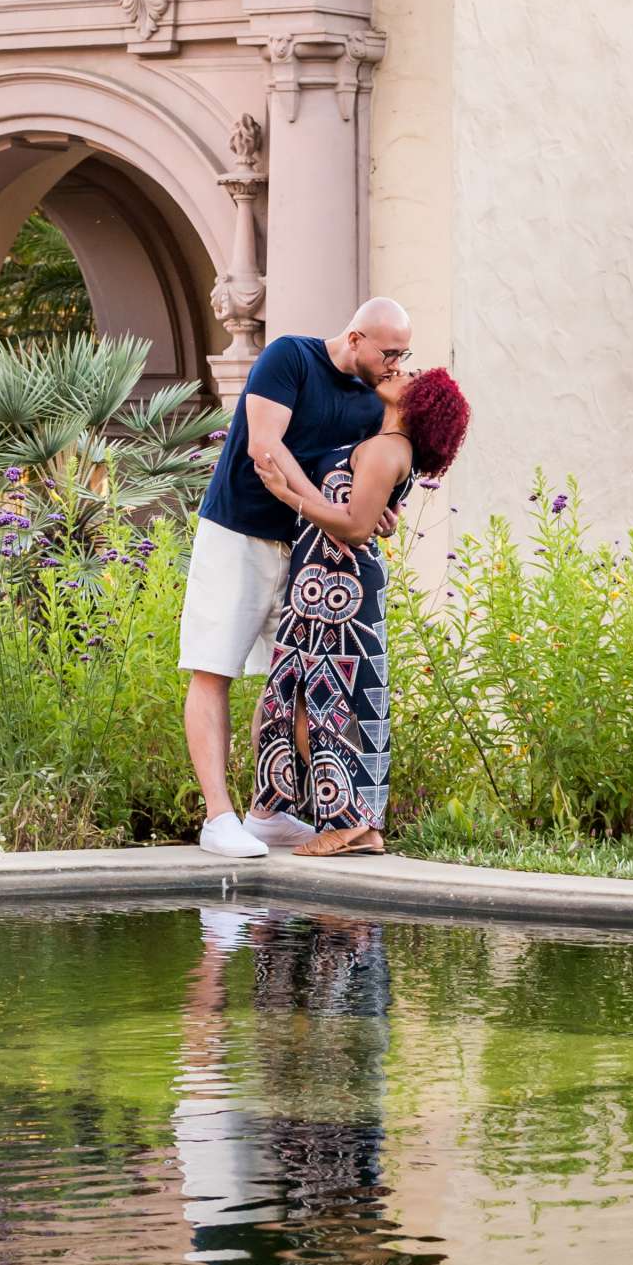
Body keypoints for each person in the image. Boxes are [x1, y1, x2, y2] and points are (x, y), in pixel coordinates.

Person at [180, 298, 414, 859]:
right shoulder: (291, 357)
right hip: (238, 533)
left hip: (308, 554)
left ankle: (269, 813)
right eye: (388, 352)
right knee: (214, 669)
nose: (395, 364)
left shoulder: (371, 404)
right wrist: (334, 520)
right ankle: (219, 818)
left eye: (404, 354)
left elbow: (360, 478)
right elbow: (266, 446)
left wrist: (368, 514)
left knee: (289, 686)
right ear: (355, 337)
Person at [251, 365, 470, 858]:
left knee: (325, 703)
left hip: (338, 585)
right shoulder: (384, 444)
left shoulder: (388, 449)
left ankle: (348, 822)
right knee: (318, 701)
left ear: (419, 404)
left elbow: (353, 527)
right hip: (324, 583)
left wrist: (288, 495)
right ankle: (363, 827)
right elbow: (357, 512)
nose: (401, 371)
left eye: (412, 375)